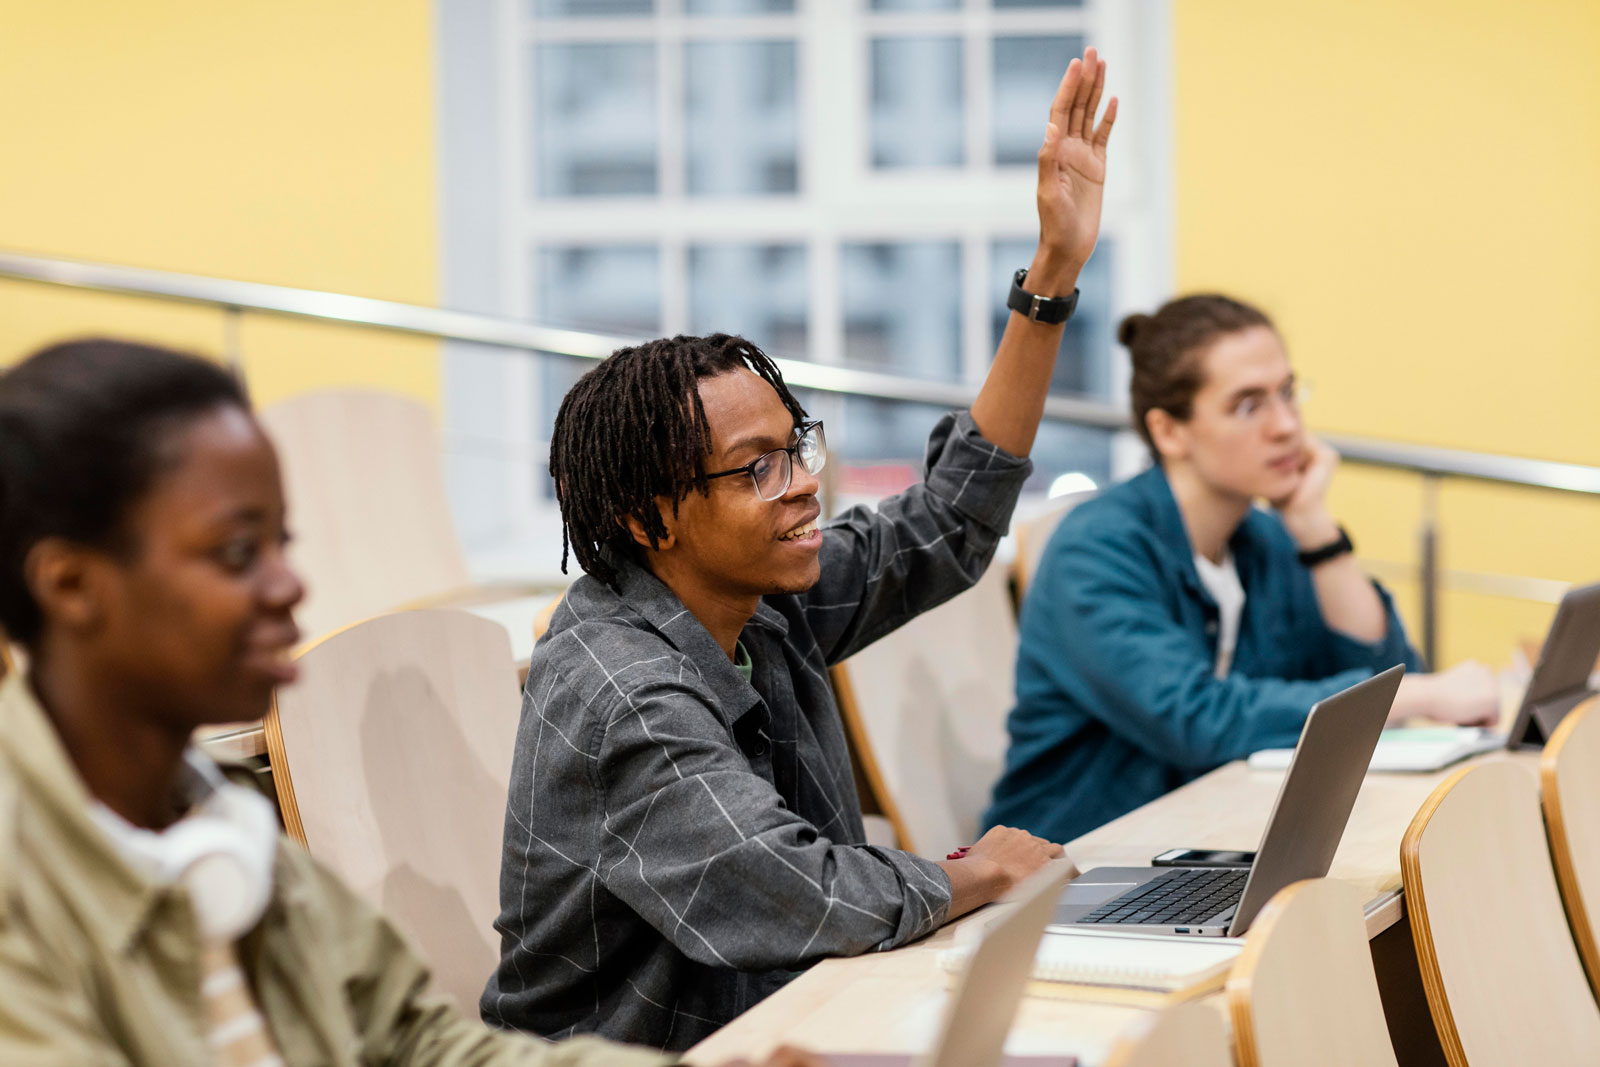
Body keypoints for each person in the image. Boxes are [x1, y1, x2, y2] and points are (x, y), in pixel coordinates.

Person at [482, 48, 1117, 1053]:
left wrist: (1050, 276)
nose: (803, 483)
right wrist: (975, 870)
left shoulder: (753, 597)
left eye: (797, 446)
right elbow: (797, 889)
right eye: (756, 468)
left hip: (782, 1020)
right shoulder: (625, 689)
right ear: (652, 517)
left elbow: (948, 524)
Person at [0, 338, 818, 1067]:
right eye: (238, 551)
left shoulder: (215, 827)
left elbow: (424, 1044)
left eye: (283, 544)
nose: (289, 585)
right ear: (72, 585)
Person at [984, 294, 1502, 843]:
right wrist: (1415, 696)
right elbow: (1197, 718)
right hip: (1075, 862)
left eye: (1286, 393)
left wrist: (1317, 532)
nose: (1286, 427)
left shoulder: (1264, 539)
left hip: (1210, 840)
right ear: (1169, 432)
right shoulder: (1095, 549)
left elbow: (1388, 671)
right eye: (1249, 405)